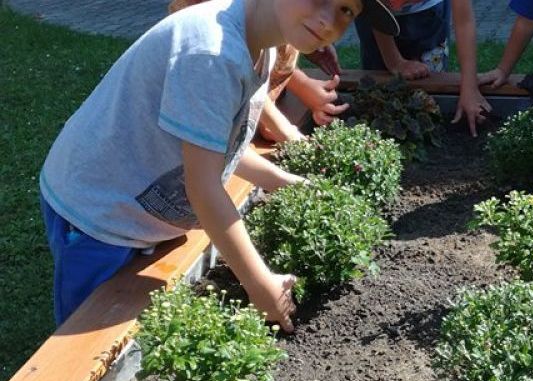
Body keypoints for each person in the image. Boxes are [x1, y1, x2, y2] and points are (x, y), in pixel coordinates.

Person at [38, 0, 399, 329]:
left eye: (346, 10)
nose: (328, 20)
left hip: (141, 202)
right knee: (88, 326)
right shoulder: (213, 53)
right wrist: (260, 284)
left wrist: (280, 180)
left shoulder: (263, 45)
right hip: (97, 213)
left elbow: (215, 141)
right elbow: (204, 188)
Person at [168, 0, 348, 141]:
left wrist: (302, 83)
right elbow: (225, 72)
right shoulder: (213, 36)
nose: (328, 22)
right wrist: (276, 124)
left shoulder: (272, 20)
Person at [354, 0, 491, 136]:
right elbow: (375, 9)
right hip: (375, 20)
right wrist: (394, 61)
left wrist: (469, 87)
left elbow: (464, 20)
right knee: (379, 98)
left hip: (428, 16)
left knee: (430, 103)